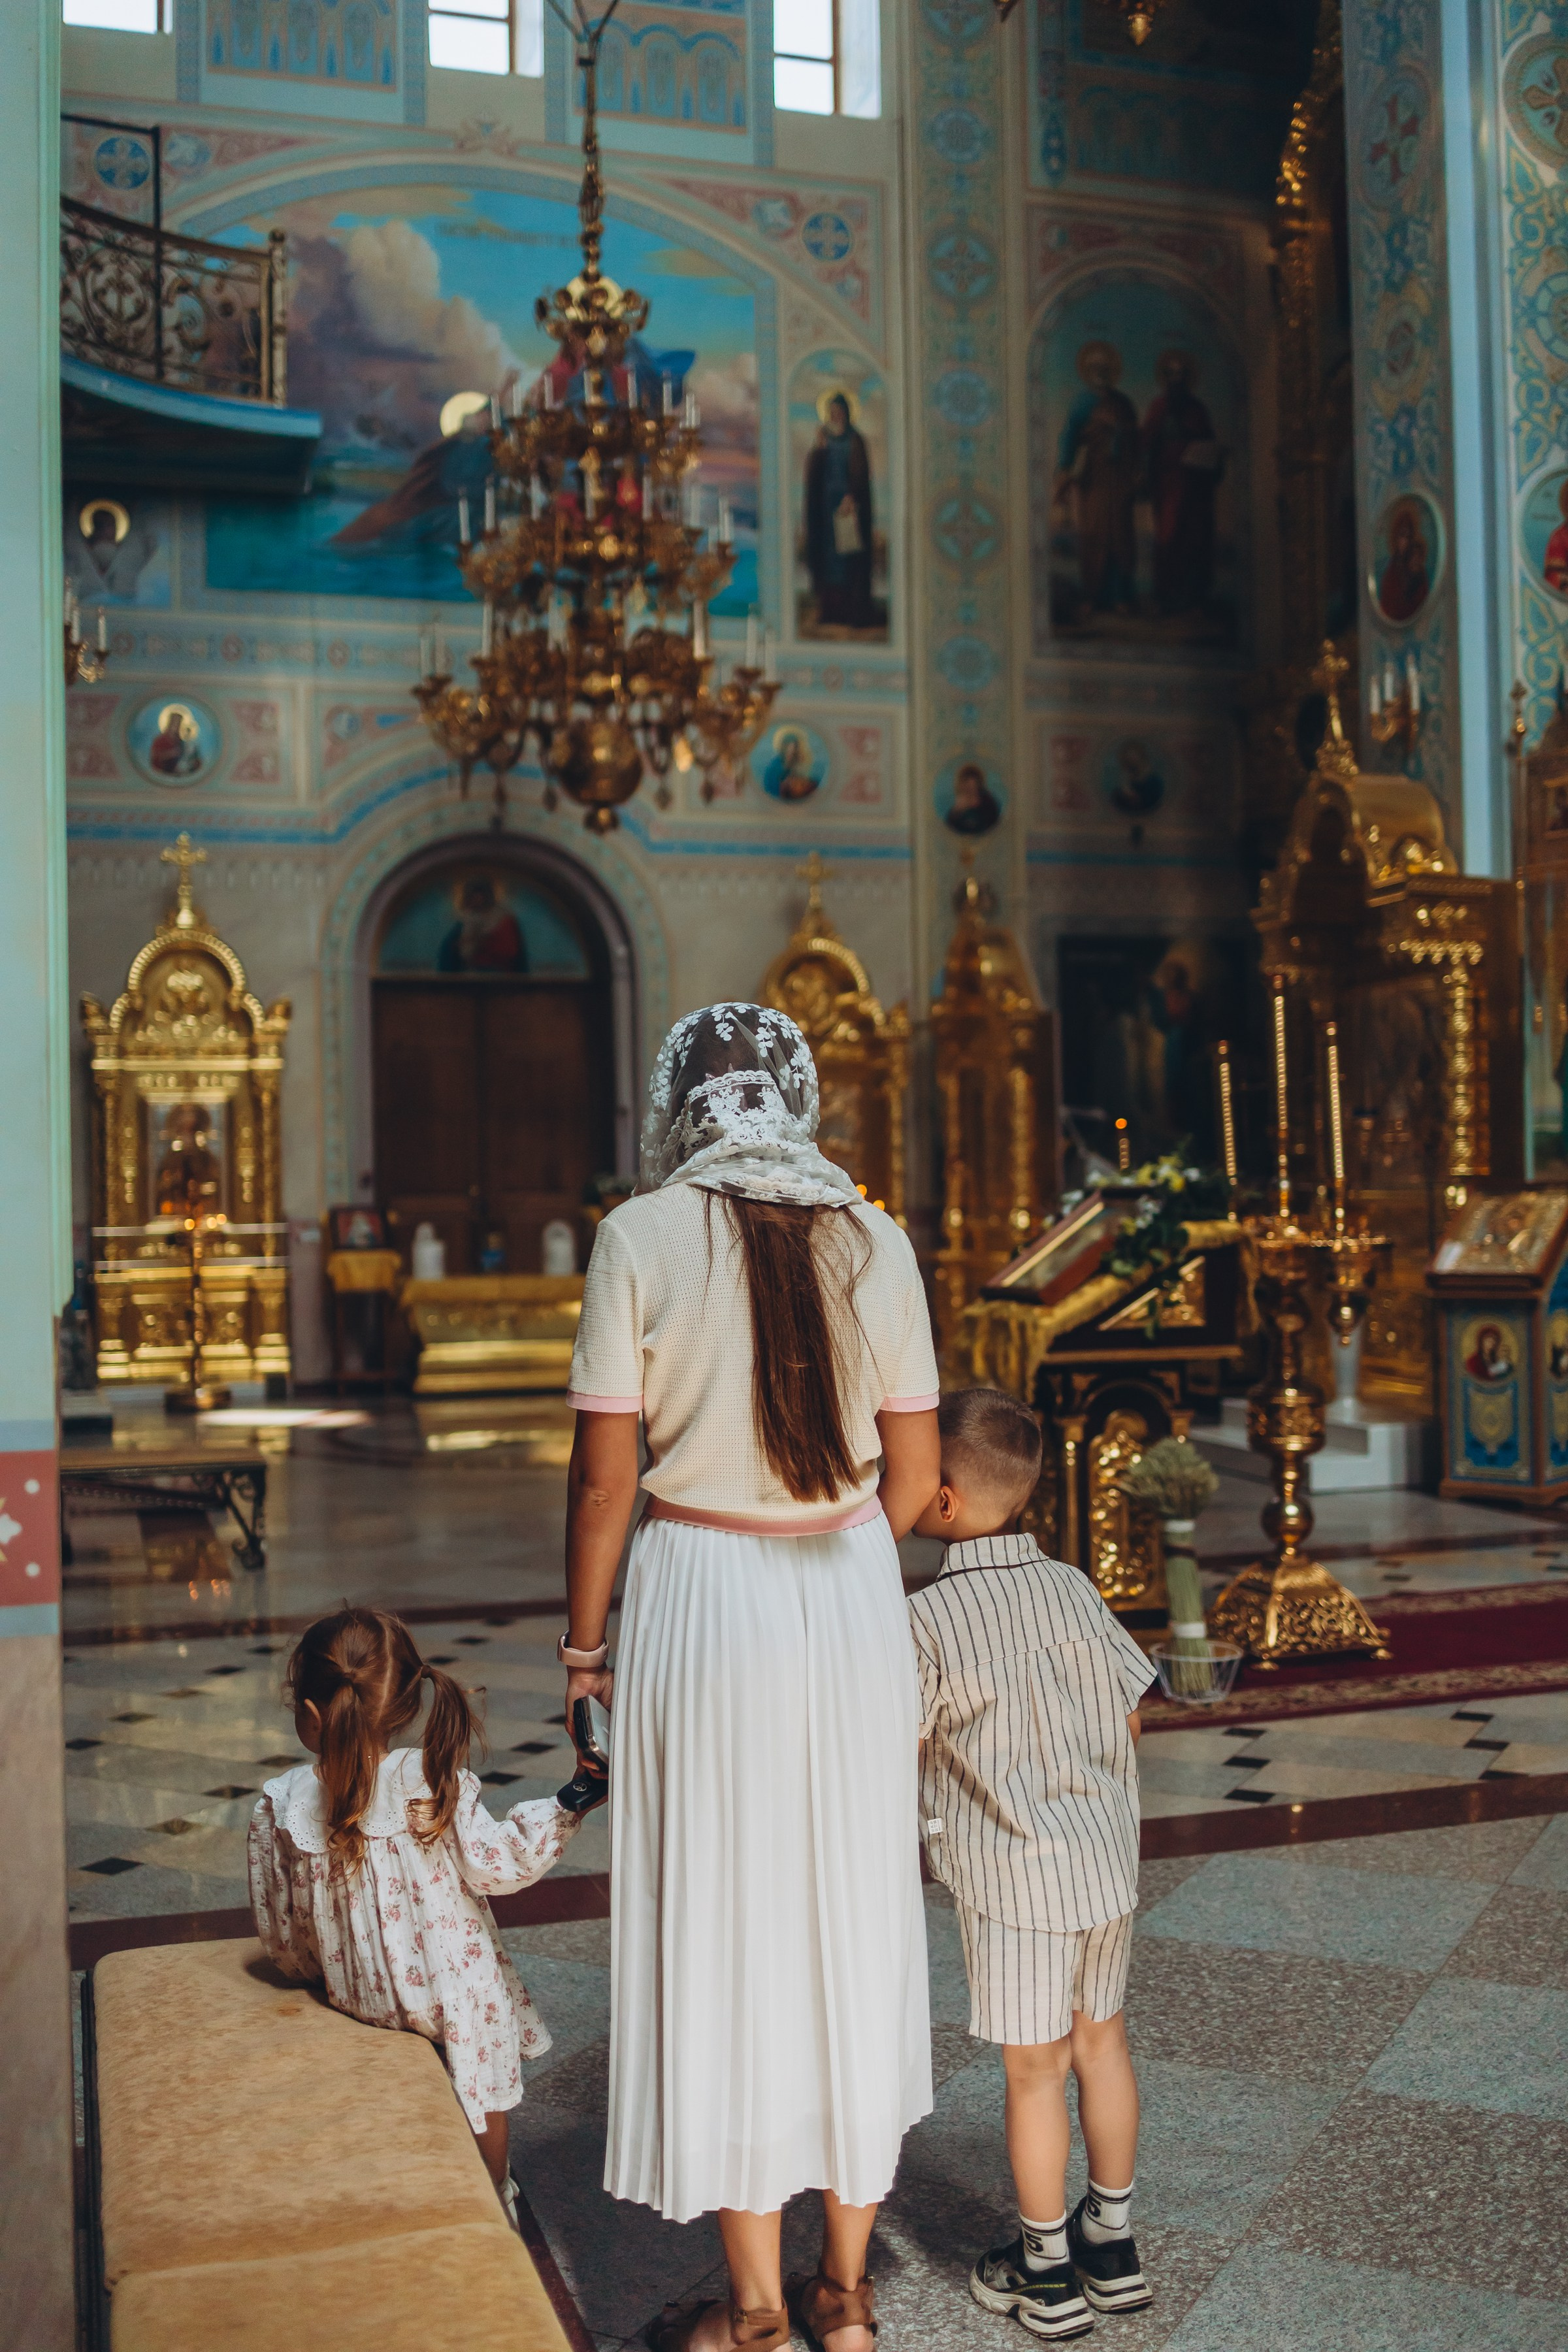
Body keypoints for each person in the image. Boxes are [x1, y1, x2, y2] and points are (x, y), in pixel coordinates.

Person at [561, 1003, 941, 2352]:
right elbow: (917, 1474)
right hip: (844, 1600)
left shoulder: (640, 1236)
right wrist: (830, 1556)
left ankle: (758, 2309)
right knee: (848, 1909)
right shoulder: (877, 1237)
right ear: (793, 1100)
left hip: (699, 1598)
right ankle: (847, 2294)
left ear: (683, 1107)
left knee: (722, 1919)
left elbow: (607, 1479)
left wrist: (586, 1646)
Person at [909, 1389, 1155, 2342]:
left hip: (1015, 1877)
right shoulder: (1074, 1586)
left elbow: (901, 1742)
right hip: (1104, 1859)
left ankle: (1046, 2270)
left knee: (1031, 2073)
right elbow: (1133, 1706)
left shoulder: (925, 1618)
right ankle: (1115, 2243)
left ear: (936, 1497)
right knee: (1103, 2045)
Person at [246, 1606, 583, 2227]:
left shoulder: (284, 1805)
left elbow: (284, 1934)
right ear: (406, 1704)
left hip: (361, 1997)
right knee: (478, 2095)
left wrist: (312, 1976)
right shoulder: (428, 1784)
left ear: (311, 1714)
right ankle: (494, 2197)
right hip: (454, 2002)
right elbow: (499, 1866)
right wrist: (568, 1805)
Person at [1055, 342, 1139, 620]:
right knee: (1094, 535)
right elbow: (1070, 436)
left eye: (1105, 368)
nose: (1100, 372)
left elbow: (1137, 439)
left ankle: (1120, 596)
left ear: (1112, 371)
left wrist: (1121, 433)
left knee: (1121, 537)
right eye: (1095, 368)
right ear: (1088, 371)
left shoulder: (1123, 403)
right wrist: (1065, 469)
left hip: (1120, 478)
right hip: (1094, 478)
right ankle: (1093, 595)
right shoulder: (1083, 402)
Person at [1141, 350, 1222, 620]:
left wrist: (1212, 454)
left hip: (1196, 488)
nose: (1177, 379)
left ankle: (1194, 597)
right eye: (1171, 374)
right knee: (1168, 538)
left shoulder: (1197, 409)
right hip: (1168, 486)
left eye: (1181, 374)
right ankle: (1165, 597)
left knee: (1196, 539)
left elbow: (1208, 441)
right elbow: (1147, 441)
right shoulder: (1159, 407)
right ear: (1165, 378)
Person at [804, 391, 877, 631]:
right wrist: (818, 450)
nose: (835, 416)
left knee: (848, 559)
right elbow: (814, 472)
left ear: (846, 413)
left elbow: (860, 474)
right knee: (828, 559)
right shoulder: (823, 438)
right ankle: (829, 610)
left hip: (848, 509)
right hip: (825, 509)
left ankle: (851, 611)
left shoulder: (855, 440)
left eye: (839, 412)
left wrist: (852, 496)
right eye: (832, 412)